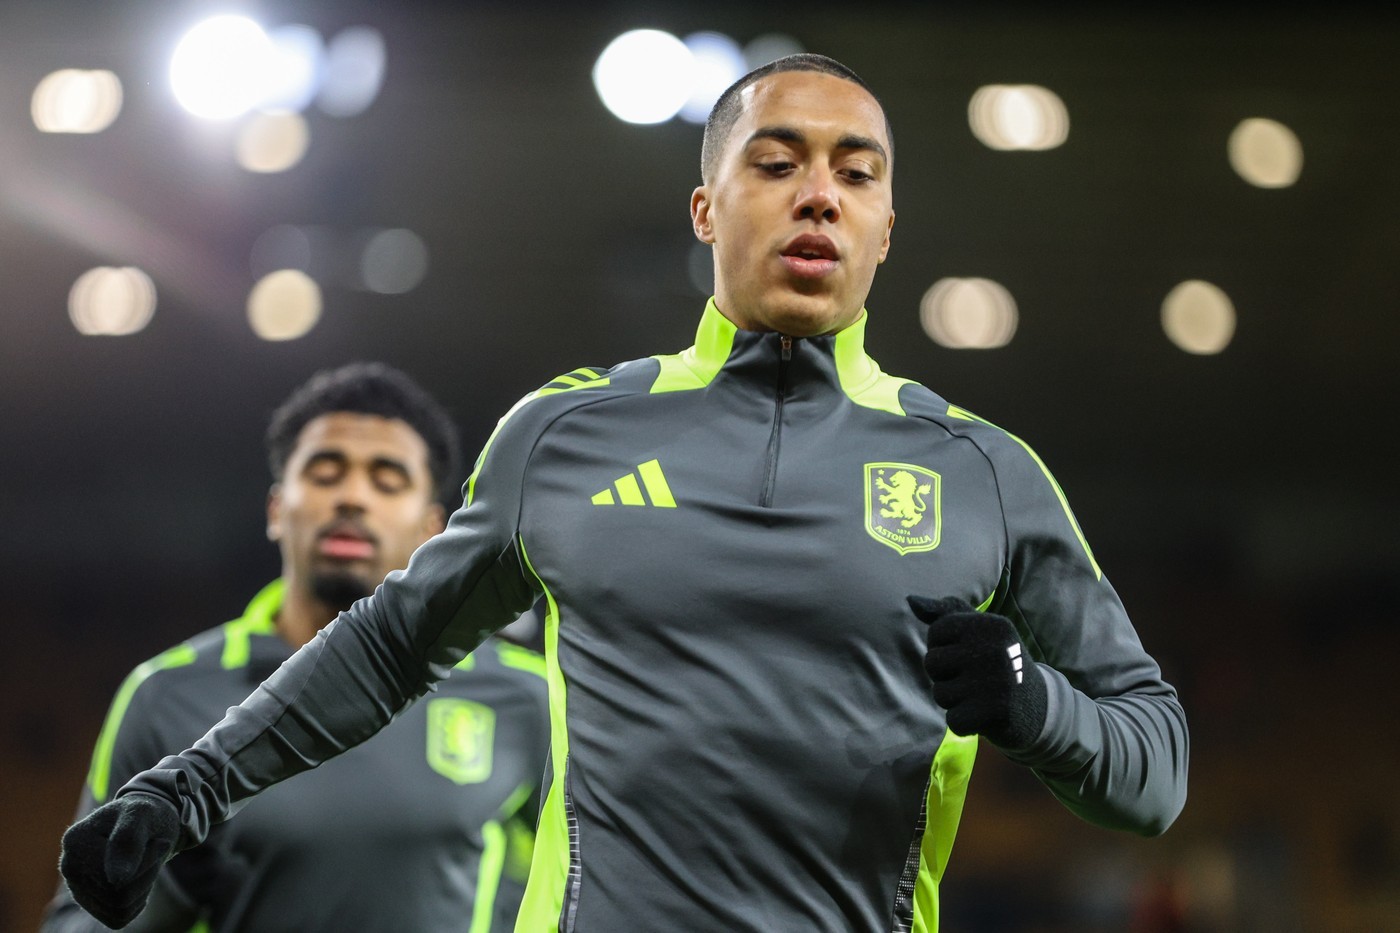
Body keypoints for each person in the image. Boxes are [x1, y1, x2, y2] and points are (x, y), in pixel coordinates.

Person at [57, 55, 1188, 932]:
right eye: (776, 161)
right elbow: (392, 642)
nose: (819, 197)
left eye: (856, 173)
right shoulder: (568, 434)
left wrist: (1031, 703)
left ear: (886, 228)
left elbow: (1154, 771)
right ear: (706, 212)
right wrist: (186, 788)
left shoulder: (983, 472)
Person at [45, 362, 550, 932]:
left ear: (434, 531)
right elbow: (85, 912)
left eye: (387, 480)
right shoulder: (167, 693)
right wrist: (159, 903)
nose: (353, 497)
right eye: (325, 473)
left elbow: (579, 890)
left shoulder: (527, 694)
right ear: (277, 510)